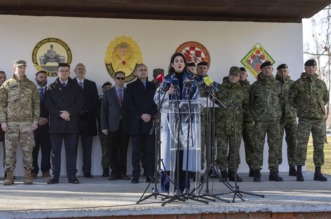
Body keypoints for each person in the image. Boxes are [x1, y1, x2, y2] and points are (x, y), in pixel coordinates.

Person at [154, 53, 199, 193]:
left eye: (181, 61)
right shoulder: (166, 81)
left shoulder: (192, 80)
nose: (179, 63)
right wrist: (167, 94)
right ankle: (165, 189)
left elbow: (197, 100)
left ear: (184, 64)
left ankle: (182, 187)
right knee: (168, 158)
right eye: (176, 61)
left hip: (186, 124)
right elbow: (156, 99)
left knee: (183, 158)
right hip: (169, 124)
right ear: (172, 64)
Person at [0, 60, 40, 185]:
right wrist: (3, 121)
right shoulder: (7, 85)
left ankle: (28, 176)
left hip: (27, 123)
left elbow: (36, 104)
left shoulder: (31, 85)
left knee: (28, 150)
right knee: (9, 151)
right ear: (14, 69)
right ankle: (9, 176)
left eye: (23, 67)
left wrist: (35, 120)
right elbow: (1, 104)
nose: (22, 69)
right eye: (19, 67)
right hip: (11, 123)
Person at [289, 59, 329, 182]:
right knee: (301, 145)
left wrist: (319, 108)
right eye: (308, 67)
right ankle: (299, 171)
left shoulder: (321, 83)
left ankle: (318, 172)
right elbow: (291, 99)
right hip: (304, 119)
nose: (311, 69)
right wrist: (301, 108)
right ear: (305, 68)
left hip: (318, 119)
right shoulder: (298, 83)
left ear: (316, 68)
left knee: (319, 145)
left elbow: (326, 98)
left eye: (313, 67)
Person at [45, 63, 83, 184]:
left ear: (69, 72)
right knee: (55, 152)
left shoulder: (76, 87)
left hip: (71, 124)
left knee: (71, 152)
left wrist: (69, 113)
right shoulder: (51, 87)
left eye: (66, 71)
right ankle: (54, 176)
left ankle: (72, 176)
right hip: (56, 125)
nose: (64, 73)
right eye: (61, 71)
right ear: (57, 72)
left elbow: (80, 103)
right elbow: (48, 104)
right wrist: (59, 114)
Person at [249, 61, 283, 182]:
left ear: (272, 70)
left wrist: (279, 115)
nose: (268, 70)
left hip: (274, 121)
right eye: (265, 68)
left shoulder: (278, 85)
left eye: (270, 68)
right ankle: (257, 171)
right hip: (260, 121)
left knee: (274, 146)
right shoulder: (255, 86)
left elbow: (282, 101)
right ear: (261, 70)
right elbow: (251, 103)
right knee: (258, 146)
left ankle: (273, 172)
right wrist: (256, 116)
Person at [215, 66, 248, 182]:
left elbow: (247, 106)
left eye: (236, 75)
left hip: (236, 126)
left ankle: (232, 172)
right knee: (221, 150)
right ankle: (223, 172)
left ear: (239, 77)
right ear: (228, 75)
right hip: (221, 125)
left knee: (234, 151)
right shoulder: (219, 88)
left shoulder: (243, 90)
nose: (233, 77)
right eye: (231, 75)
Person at [126, 64, 157, 183]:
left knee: (150, 151)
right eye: (141, 70)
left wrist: (150, 114)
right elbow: (129, 104)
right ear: (135, 73)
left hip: (150, 122)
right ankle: (136, 176)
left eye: (145, 70)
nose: (143, 72)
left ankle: (150, 175)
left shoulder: (153, 86)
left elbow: (157, 103)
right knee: (136, 152)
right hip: (136, 123)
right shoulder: (130, 86)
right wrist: (141, 115)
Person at [101, 71, 130, 181]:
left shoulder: (128, 92)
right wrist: (104, 127)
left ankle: (123, 172)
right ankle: (114, 172)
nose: (120, 80)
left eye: (122, 78)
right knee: (112, 150)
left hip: (125, 126)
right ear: (114, 78)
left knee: (123, 150)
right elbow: (103, 111)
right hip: (112, 126)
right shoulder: (108, 93)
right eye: (118, 78)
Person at [73, 63, 98, 178]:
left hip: (88, 120)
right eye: (79, 69)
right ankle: (72, 171)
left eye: (83, 68)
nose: (81, 70)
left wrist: (86, 110)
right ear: (74, 71)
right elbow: (68, 101)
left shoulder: (91, 84)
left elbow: (95, 101)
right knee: (72, 149)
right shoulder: (70, 84)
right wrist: (77, 111)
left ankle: (87, 170)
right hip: (73, 121)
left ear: (85, 71)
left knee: (87, 149)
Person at [275, 64, 298, 177]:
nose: (283, 73)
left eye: (285, 71)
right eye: (281, 71)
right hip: (278, 118)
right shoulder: (273, 84)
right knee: (276, 143)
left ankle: (292, 166)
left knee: (293, 142)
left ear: (288, 72)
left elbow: (299, 98)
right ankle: (276, 167)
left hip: (291, 117)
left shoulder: (293, 84)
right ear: (277, 72)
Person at [31, 71, 52, 178]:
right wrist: (35, 119)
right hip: (33, 125)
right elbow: (26, 108)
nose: (43, 79)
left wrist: (48, 119)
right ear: (36, 78)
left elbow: (54, 107)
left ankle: (45, 170)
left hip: (47, 126)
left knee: (47, 149)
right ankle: (33, 171)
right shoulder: (30, 91)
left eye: (44, 77)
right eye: (40, 77)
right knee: (33, 149)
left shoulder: (51, 91)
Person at [239, 67, 254, 177]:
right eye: (239, 74)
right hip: (236, 121)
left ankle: (252, 167)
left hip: (248, 120)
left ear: (246, 75)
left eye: (243, 73)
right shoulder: (233, 87)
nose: (241, 75)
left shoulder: (251, 88)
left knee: (250, 144)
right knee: (235, 145)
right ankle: (233, 170)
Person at [96, 82, 112, 177]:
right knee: (105, 149)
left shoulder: (116, 98)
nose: (108, 89)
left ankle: (116, 169)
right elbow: (98, 114)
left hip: (115, 127)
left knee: (116, 149)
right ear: (102, 90)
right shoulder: (100, 101)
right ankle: (105, 169)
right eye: (105, 87)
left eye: (109, 87)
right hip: (103, 128)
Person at [0, 71, 6, 176]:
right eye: (0, 77)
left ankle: (7, 173)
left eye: (4, 77)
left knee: (8, 150)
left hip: (6, 123)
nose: (2, 79)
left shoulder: (9, 90)